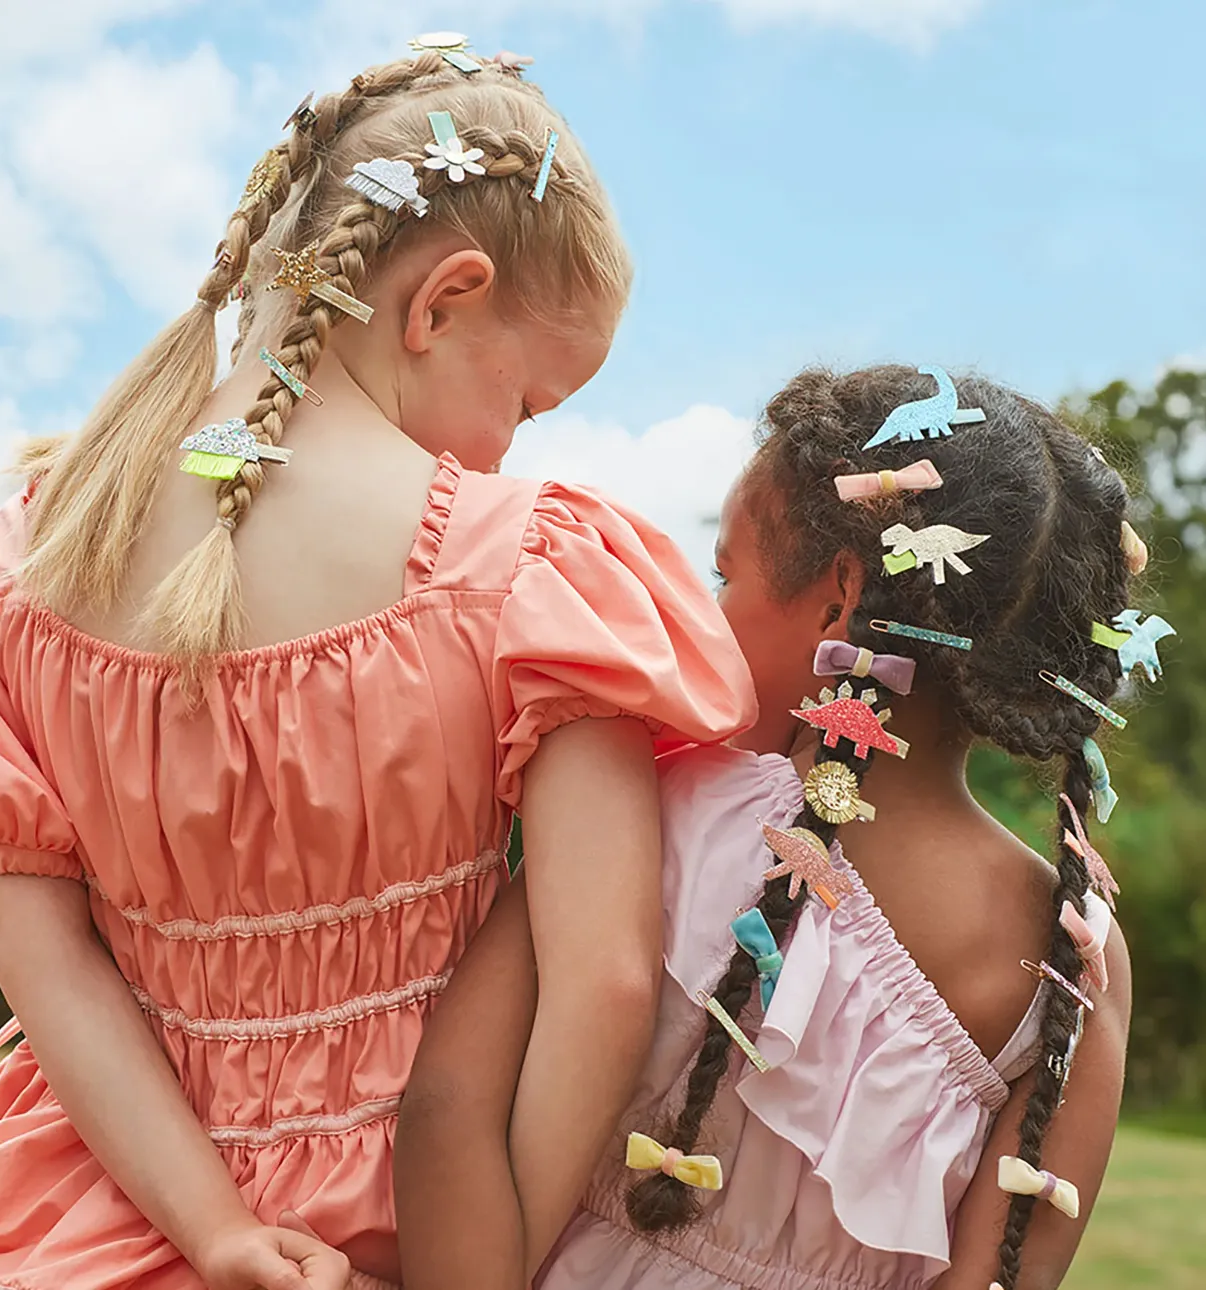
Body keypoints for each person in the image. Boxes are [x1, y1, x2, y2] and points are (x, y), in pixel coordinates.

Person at [0, 46, 755, 1290]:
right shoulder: (531, 571)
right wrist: (476, 1266)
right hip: (425, 1219)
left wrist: (217, 1231)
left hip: (95, 1208)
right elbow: (601, 979)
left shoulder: (13, 572)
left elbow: (44, 965)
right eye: (528, 403)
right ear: (441, 302)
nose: (509, 450)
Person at [395, 365, 1139, 1290]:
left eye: (725, 574)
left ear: (838, 600)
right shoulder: (1072, 960)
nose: (708, 615)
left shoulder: (665, 812)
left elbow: (445, 1108)